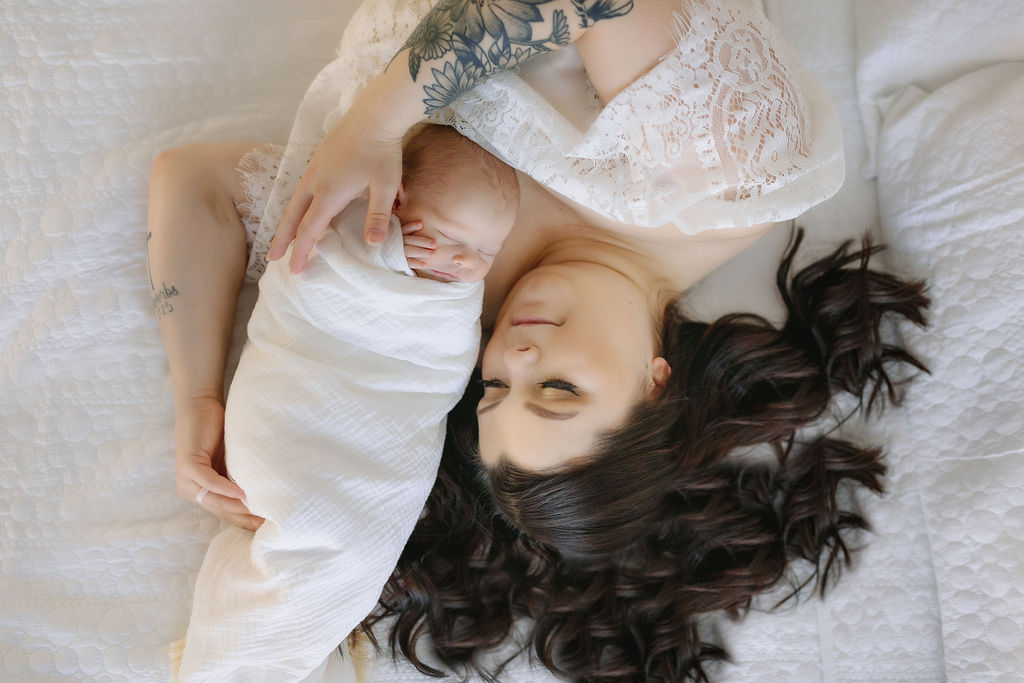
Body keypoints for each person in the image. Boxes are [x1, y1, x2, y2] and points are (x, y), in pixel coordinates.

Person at [152, 0, 928, 679]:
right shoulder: (728, 173)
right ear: (655, 379)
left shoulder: (446, 265)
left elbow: (195, 184)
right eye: (559, 389)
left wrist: (198, 399)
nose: (516, 357)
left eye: (493, 389)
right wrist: (378, 119)